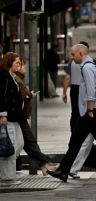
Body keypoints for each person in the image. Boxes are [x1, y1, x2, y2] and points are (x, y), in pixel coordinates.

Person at [48, 44, 96, 182]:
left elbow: (91, 90)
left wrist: (89, 110)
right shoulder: (87, 66)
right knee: (76, 141)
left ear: (81, 53)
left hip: (92, 111)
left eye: (73, 54)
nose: (72, 58)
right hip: (89, 111)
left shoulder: (88, 67)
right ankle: (63, 171)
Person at [14, 59, 57, 176]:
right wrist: (28, 96)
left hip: (20, 116)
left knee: (28, 143)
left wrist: (28, 95)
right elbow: (19, 97)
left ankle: (44, 165)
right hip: (17, 117)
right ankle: (45, 163)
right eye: (21, 65)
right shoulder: (16, 79)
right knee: (28, 143)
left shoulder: (18, 78)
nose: (24, 68)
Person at [0, 52, 24, 186]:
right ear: (9, 62)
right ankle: (7, 177)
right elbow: (1, 97)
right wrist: (2, 114)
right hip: (7, 117)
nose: (19, 66)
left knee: (19, 143)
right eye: (17, 63)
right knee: (10, 145)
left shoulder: (12, 76)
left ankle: (5, 171)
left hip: (15, 117)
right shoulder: (3, 77)